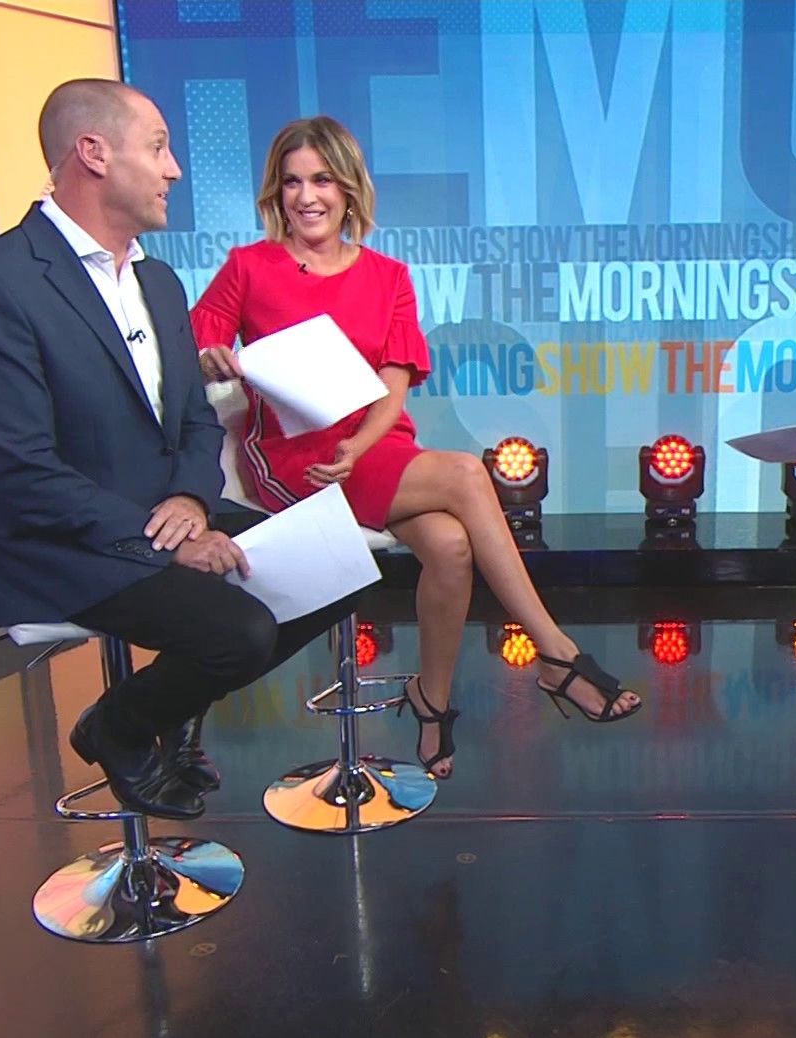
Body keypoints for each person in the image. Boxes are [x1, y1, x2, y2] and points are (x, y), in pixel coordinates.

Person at [0, 80, 355, 820]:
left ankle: (170, 709)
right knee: (239, 632)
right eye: (158, 148)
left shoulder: (158, 281)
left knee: (338, 570)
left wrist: (192, 500)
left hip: (168, 511)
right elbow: (23, 470)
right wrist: (165, 539)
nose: (174, 170)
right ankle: (120, 726)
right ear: (93, 153)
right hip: (60, 537)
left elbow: (196, 421)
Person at [192, 116, 641, 780]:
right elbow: (202, 335)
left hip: (371, 449)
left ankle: (431, 700)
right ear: (275, 192)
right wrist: (211, 353)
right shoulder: (248, 267)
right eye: (291, 182)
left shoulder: (388, 276)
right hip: (294, 459)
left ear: (348, 188)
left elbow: (392, 388)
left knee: (452, 546)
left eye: (322, 180)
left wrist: (359, 448)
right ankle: (556, 652)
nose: (306, 197)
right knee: (465, 474)